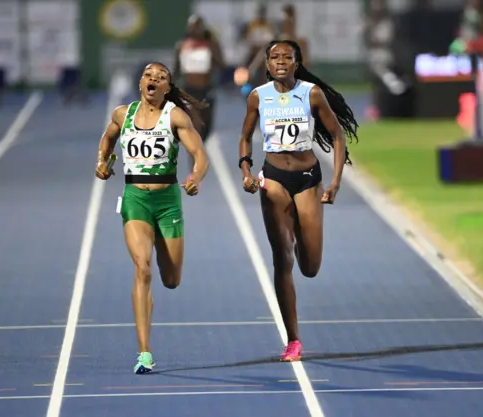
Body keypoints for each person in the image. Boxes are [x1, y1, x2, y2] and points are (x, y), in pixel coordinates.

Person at [237, 40, 359, 361]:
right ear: (266, 64)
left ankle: (300, 232)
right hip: (273, 177)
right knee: (283, 259)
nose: (280, 61)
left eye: (286, 57)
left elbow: (336, 135)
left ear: (296, 62)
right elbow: (245, 136)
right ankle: (293, 339)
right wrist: (246, 171)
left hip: (307, 179)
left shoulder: (311, 93)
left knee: (310, 267)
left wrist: (335, 182)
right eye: (274, 57)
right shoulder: (257, 97)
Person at [95, 62, 210, 374]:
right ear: (141, 83)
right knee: (142, 268)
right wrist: (102, 162)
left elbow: (200, 155)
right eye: (149, 76)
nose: (153, 80)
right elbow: (107, 139)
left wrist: (196, 177)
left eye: (161, 78)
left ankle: (159, 266)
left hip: (168, 202)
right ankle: (144, 351)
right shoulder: (123, 114)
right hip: (135, 200)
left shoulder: (175, 116)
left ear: (167, 88)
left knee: (171, 279)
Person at [173, 14, 225, 146]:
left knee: (206, 127)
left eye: (199, 25)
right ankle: (195, 160)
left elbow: (222, 64)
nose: (196, 29)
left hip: (206, 89)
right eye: (193, 26)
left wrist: (213, 53)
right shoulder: (181, 46)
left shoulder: (211, 45)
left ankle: (200, 148)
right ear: (189, 28)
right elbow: (176, 70)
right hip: (189, 90)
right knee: (194, 126)